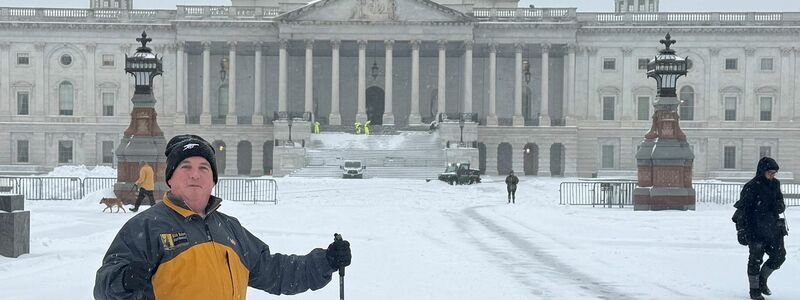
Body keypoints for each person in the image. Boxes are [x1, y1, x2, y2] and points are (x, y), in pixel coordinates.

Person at [95, 134, 352, 300]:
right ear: (170, 178)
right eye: (186, 167)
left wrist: (324, 262)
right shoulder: (145, 226)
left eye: (203, 168)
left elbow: (274, 271)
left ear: (213, 180)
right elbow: (104, 287)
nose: (195, 175)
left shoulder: (229, 229)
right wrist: (123, 280)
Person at [734, 157, 786, 300]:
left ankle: (762, 280)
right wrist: (741, 229)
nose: (772, 175)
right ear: (762, 171)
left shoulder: (775, 184)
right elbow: (742, 210)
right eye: (770, 172)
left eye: (774, 173)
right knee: (755, 260)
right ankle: (754, 290)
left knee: (779, 256)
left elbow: (780, 201)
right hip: (755, 229)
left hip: (773, 228)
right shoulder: (751, 186)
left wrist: (780, 205)